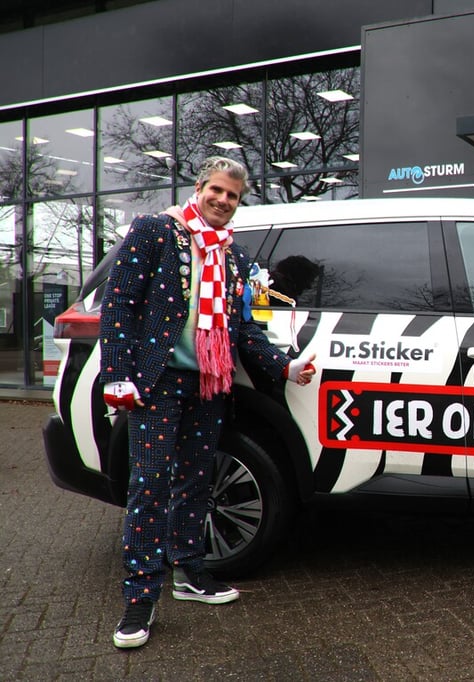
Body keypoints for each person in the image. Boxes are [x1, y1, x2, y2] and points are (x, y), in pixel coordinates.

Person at [99, 156, 317, 649]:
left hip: (209, 384)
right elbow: (119, 305)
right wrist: (117, 375)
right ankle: (140, 597)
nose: (222, 200)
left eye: (232, 195)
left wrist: (285, 367)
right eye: (216, 190)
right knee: (149, 486)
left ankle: (189, 572)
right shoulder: (157, 231)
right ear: (199, 188)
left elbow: (243, 330)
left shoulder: (234, 256)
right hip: (156, 382)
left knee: (196, 482)